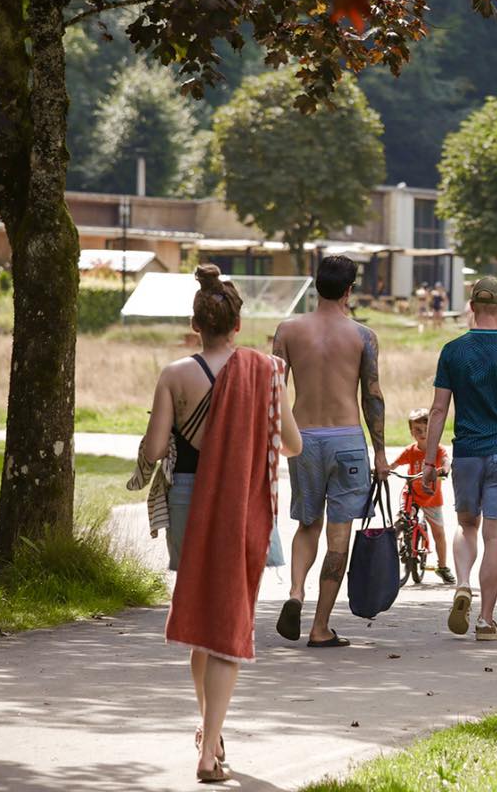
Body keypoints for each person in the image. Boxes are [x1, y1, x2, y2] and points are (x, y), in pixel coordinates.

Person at [147, 265, 302, 784]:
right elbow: (293, 445)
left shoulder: (175, 374)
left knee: (200, 613)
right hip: (241, 501)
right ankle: (209, 748)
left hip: (189, 500)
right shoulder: (267, 371)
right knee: (229, 622)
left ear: (196, 325)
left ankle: (208, 732)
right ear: (237, 324)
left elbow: (154, 448)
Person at [272, 255, 392, 648]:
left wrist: (270, 442)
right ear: (349, 290)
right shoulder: (363, 336)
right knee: (338, 534)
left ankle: (295, 593)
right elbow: (372, 396)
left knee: (308, 525)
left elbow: (274, 393)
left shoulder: (288, 330)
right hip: (347, 442)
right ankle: (320, 627)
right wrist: (379, 452)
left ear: (316, 284)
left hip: (303, 438)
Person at [420, 275, 497, 642]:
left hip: (467, 453)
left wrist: (429, 462)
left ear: (471, 307)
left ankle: (462, 583)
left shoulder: (452, 351)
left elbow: (438, 410)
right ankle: (486, 621)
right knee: (495, 538)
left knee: (467, 524)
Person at [392, 407, 454, 583]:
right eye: (417, 430)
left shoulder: (438, 450)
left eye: (426, 429)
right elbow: (394, 464)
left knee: (438, 532)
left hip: (431, 499)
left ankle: (442, 566)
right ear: (411, 432)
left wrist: (444, 469)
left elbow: (446, 461)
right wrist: (385, 469)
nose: (422, 433)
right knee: (402, 519)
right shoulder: (410, 451)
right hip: (411, 494)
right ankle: (402, 545)